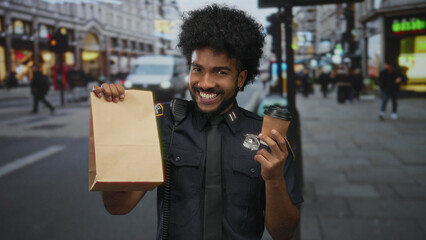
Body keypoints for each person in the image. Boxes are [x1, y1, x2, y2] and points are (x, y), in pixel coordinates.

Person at [93, 4, 303, 240]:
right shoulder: (163, 124)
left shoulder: (265, 136)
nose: (205, 83)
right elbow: (118, 206)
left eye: (220, 72)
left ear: (241, 78)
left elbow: (284, 232)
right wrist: (114, 124)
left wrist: (274, 180)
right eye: (197, 69)